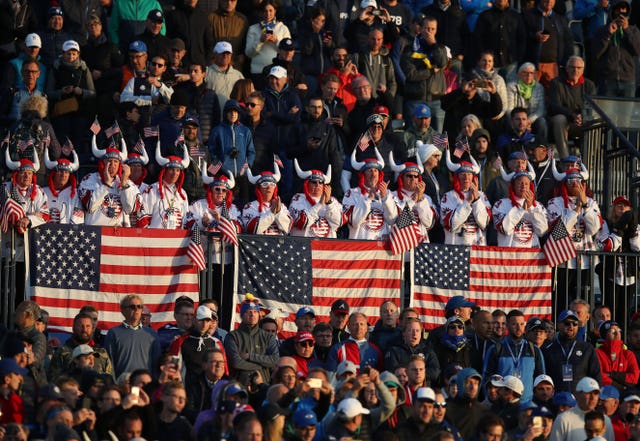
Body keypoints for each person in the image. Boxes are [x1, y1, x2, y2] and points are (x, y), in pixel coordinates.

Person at [547, 160, 602, 301]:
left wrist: (585, 205)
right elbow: (559, 231)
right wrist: (576, 209)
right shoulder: (554, 202)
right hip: (563, 261)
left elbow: (594, 228)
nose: (575, 184)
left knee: (584, 301)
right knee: (561, 300)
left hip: (585, 261)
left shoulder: (591, 202)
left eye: (578, 180)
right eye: (571, 181)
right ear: (565, 183)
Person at [80, 135, 140, 226]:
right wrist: (106, 185)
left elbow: (129, 209)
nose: (113, 165)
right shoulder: (89, 179)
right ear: (102, 163)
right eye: (109, 161)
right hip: (95, 232)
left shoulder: (128, 183)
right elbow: (90, 206)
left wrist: (124, 183)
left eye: (116, 161)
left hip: (119, 234)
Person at [341, 147, 396, 239]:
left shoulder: (388, 194)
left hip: (383, 248)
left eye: (375, 171)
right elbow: (354, 222)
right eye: (370, 171)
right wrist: (368, 199)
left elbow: (392, 220)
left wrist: (385, 199)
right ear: (363, 174)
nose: (373, 174)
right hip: (361, 248)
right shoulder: (351, 193)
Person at [547, 56, 596, 159]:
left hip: (582, 121)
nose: (575, 70)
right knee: (559, 119)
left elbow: (592, 106)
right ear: (567, 68)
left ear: (583, 70)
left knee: (595, 121)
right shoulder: (556, 83)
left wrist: (582, 116)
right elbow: (554, 106)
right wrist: (572, 115)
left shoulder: (589, 85)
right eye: (572, 67)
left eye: (579, 68)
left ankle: (588, 160)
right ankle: (565, 159)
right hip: (564, 122)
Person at [223, 294, 279, 383]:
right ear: (242, 315)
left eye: (255, 312)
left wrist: (250, 356)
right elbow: (236, 362)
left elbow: (274, 360)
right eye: (248, 311)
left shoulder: (268, 337)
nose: (252, 315)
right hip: (239, 385)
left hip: (263, 384)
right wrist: (261, 366)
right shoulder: (232, 336)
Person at [440, 148, 492, 245]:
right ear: (457, 177)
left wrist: (476, 200)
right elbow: (452, 224)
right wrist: (467, 202)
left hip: (478, 250)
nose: (466, 178)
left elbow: (484, 223)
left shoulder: (481, 195)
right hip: (455, 250)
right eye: (463, 174)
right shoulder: (448, 196)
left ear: (473, 177)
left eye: (469, 174)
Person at [542, 310, 602, 393]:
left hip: (580, 400)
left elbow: (596, 376)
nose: (571, 326)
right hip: (557, 400)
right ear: (559, 325)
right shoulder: (549, 349)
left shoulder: (587, 348)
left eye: (575, 324)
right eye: (567, 323)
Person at [104, 294, 161, 378]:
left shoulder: (152, 334)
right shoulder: (113, 333)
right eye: (132, 307)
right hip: (122, 384)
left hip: (146, 385)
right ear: (123, 310)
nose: (137, 309)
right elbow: (109, 362)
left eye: (139, 306)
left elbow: (156, 363)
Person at [388, 150, 439, 243]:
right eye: (409, 176)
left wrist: (420, 200)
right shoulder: (392, 196)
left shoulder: (426, 198)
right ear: (401, 178)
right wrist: (412, 201)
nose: (413, 179)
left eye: (416, 177)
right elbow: (393, 220)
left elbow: (428, 223)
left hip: (421, 244)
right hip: (400, 242)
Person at [492, 166, 549, 247]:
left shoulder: (538, 206)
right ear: (513, 185)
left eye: (526, 183)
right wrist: (521, 209)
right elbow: (505, 229)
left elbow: (542, 231)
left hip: (531, 256)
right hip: (508, 256)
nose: (523, 186)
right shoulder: (501, 204)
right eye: (520, 182)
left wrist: (532, 209)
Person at [136, 143, 190, 229]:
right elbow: (142, 219)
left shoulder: (182, 193)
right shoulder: (152, 190)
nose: (175, 174)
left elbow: (186, 221)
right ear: (164, 171)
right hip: (155, 240)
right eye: (171, 170)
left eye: (177, 170)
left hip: (177, 240)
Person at [48, 312, 113, 382]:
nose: (84, 330)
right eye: (81, 326)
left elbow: (109, 380)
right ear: (73, 328)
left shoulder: (102, 353)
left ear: (92, 329)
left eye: (88, 326)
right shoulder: (62, 352)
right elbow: (54, 380)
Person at [288, 161, 343, 238]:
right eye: (314, 182)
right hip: (304, 246)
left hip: (327, 247)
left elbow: (338, 223)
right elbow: (302, 222)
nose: (317, 185)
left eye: (320, 182)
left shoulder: (332, 201)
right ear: (307, 183)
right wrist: (320, 204)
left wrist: (329, 204)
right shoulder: (298, 198)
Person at [549, 377, 615, 441]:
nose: (592, 397)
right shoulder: (563, 419)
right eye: (588, 393)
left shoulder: (606, 421)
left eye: (596, 393)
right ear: (577, 394)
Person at [244, 0, 291, 85]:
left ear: (275, 11)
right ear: (261, 12)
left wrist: (277, 41)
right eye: (265, 11)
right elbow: (248, 53)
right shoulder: (253, 29)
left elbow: (289, 54)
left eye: (270, 11)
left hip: (278, 73)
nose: (268, 14)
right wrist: (260, 41)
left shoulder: (283, 28)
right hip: (258, 72)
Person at [241, 162, 292, 235]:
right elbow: (252, 229)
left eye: (272, 184)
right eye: (265, 184)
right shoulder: (250, 206)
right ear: (259, 188)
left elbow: (288, 229)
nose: (269, 187)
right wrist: (271, 213)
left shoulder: (282, 206)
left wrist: (278, 212)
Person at [42, 147, 83, 225]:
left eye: (66, 172)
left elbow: (78, 216)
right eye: (60, 171)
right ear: (54, 174)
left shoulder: (75, 194)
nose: (63, 175)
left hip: (67, 234)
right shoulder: (42, 192)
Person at [506, 63, 547, 140]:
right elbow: (509, 109)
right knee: (508, 121)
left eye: (531, 73)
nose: (528, 75)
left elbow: (540, 110)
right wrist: (520, 120)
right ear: (519, 74)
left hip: (531, 120)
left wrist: (528, 121)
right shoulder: (511, 86)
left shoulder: (539, 87)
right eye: (525, 72)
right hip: (516, 118)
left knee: (542, 122)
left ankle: (542, 146)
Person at [595, 320, 640, 389]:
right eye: (612, 331)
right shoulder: (597, 353)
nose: (617, 333)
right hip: (603, 393)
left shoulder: (628, 354)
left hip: (625, 394)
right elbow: (599, 375)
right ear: (604, 335)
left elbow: (634, 377)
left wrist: (612, 375)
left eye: (619, 330)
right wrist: (618, 386)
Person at [205, 41, 245, 117]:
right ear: (215, 54)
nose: (225, 56)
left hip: (234, 118)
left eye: (228, 53)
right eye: (222, 53)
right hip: (212, 118)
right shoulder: (206, 73)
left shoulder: (238, 75)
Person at [208, 0, 248, 71]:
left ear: (236, 1)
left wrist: (242, 55)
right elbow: (207, 40)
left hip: (235, 64)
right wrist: (212, 58)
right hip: (215, 64)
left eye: (232, 0)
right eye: (225, 0)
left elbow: (246, 41)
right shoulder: (211, 18)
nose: (229, 3)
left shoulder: (242, 20)